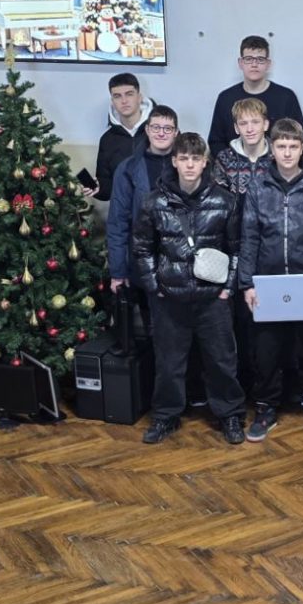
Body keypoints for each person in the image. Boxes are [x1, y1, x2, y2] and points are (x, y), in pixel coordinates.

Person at [131, 133, 247, 445]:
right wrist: (155, 286)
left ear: (205, 162)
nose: (190, 165)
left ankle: (230, 415)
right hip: (170, 299)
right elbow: (142, 249)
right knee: (169, 364)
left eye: (196, 159)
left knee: (222, 362)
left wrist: (228, 288)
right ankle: (165, 416)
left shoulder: (225, 201)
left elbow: (237, 249)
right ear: (174, 161)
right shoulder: (155, 202)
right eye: (184, 159)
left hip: (213, 299)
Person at [238, 119, 303, 443]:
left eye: (293, 146)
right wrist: (247, 284)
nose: (287, 152)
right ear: (272, 148)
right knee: (266, 351)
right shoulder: (258, 186)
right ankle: (266, 407)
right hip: (269, 283)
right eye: (281, 146)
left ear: (302, 149)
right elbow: (249, 237)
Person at [107, 105, 180, 295]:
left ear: (176, 133)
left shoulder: (186, 165)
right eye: (156, 127)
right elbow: (118, 222)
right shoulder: (128, 168)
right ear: (147, 130)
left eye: (167, 128)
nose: (161, 133)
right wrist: (118, 271)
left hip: (180, 263)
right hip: (141, 260)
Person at [206, 35, 303, 153]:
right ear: (240, 63)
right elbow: (215, 142)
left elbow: (301, 141)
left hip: (276, 164)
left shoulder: (286, 97)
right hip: (233, 163)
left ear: (268, 64)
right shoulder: (225, 98)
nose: (254, 64)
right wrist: (234, 162)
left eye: (260, 59)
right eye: (248, 59)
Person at [95, 73, 154, 201]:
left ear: (139, 97)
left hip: (158, 209)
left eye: (129, 94)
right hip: (122, 210)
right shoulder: (107, 140)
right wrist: (98, 188)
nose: (124, 101)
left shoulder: (161, 130)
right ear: (112, 101)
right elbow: (106, 189)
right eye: (117, 96)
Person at [209, 97, 273, 196]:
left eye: (255, 122)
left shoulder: (277, 156)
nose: (249, 129)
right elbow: (218, 199)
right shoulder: (225, 159)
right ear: (236, 128)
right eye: (243, 123)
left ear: (265, 125)